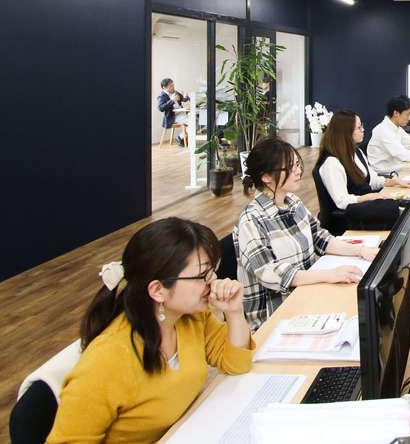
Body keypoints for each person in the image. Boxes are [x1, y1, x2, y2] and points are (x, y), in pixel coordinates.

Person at [47, 218, 253, 442]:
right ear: (157, 290)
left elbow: (236, 364)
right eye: (202, 276)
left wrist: (234, 312)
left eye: (212, 270)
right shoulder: (107, 360)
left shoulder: (191, 316)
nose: (213, 281)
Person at [234, 138, 378, 330]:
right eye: (290, 167)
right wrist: (329, 275)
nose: (298, 171)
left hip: (307, 295)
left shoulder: (293, 202)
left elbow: (320, 237)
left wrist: (361, 251)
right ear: (266, 176)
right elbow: (272, 273)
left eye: (297, 164)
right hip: (275, 317)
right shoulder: (251, 219)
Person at [314, 110, 410, 230]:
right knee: (397, 213)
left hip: (363, 208)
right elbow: (342, 202)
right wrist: (368, 197)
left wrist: (392, 182)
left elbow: (371, 180)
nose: (363, 130)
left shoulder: (357, 152)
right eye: (359, 128)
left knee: (404, 205)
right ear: (346, 132)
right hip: (346, 219)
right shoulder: (332, 163)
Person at [367, 95, 410, 175]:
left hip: (395, 167)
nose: (409, 118)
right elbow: (402, 154)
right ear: (396, 113)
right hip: (384, 174)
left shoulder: (396, 128)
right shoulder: (383, 130)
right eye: (407, 114)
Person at [156, 78, 186, 147]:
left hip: (181, 113)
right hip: (172, 117)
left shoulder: (175, 92)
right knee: (192, 121)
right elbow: (161, 108)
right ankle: (181, 137)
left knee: (195, 119)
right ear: (164, 87)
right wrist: (172, 100)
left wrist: (185, 97)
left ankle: (182, 137)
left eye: (173, 85)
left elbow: (183, 99)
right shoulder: (161, 96)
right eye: (171, 86)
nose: (173, 87)